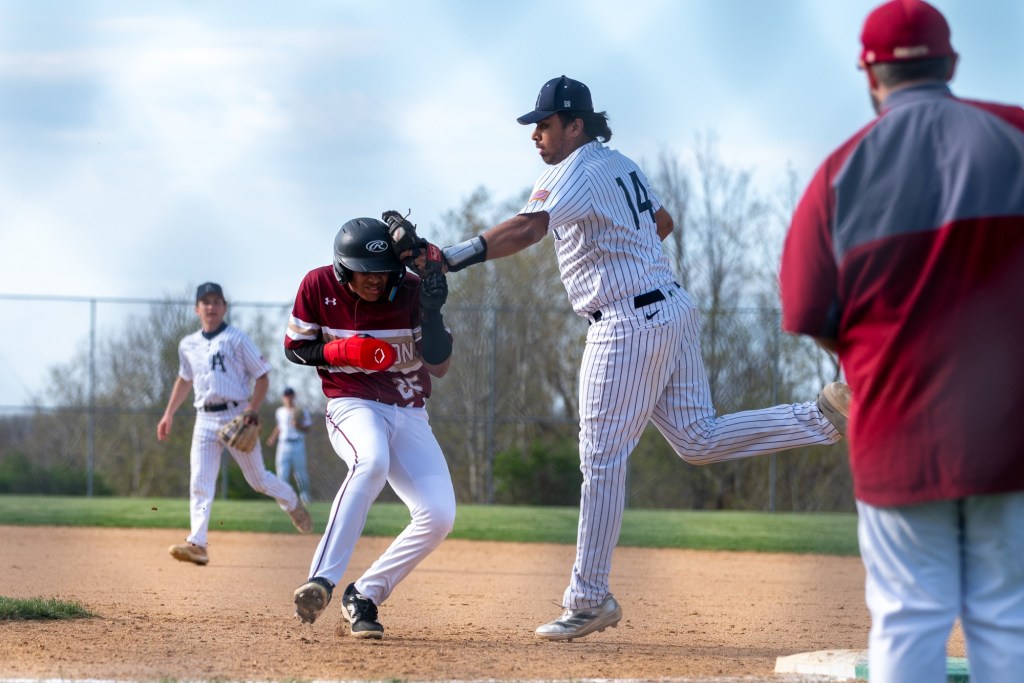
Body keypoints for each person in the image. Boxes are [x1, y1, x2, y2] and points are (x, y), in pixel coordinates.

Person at [423, 75, 852, 641]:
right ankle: (821, 418)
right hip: (670, 307)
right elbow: (663, 224)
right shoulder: (620, 164)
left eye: (545, 124)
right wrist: (627, 252)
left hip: (626, 324)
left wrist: (449, 257)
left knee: (602, 459)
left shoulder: (572, 169)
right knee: (697, 438)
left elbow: (528, 227)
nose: (536, 135)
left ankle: (588, 599)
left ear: (575, 125)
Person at [779, 1, 1024, 680]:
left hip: (897, 429)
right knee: (1009, 618)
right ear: (953, 63)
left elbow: (806, 308)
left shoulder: (839, 172)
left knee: (908, 618)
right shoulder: (1016, 135)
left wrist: (866, 362)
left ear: (869, 75)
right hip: (1011, 433)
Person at [286, 217, 456, 640]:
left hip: (410, 410)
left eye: (383, 272)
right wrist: (340, 351)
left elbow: (439, 366)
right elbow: (295, 348)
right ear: (343, 269)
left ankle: (363, 595)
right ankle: (322, 579)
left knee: (438, 516)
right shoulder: (318, 285)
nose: (376, 280)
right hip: (352, 402)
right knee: (372, 460)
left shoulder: (412, 289)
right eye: (365, 272)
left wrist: (432, 313)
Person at [157, 282, 313, 566]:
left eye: (217, 301)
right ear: (197, 309)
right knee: (200, 480)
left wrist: (252, 410)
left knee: (258, 480)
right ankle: (198, 544)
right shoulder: (187, 344)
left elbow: (262, 375)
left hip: (237, 415)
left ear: (225, 307)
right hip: (204, 418)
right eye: (206, 302)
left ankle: (291, 501)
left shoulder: (237, 339)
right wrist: (168, 413)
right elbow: (184, 378)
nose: (211, 307)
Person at [266, 387, 314, 506]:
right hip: (283, 444)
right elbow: (279, 426)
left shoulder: (301, 411)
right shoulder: (280, 411)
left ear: (293, 396)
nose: (288, 398)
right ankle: (285, 498)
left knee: (300, 474)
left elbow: (307, 428)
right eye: (286, 396)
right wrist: (272, 437)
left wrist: (298, 425)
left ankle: (305, 497)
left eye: (289, 395)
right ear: (283, 397)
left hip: (297, 443)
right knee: (282, 473)